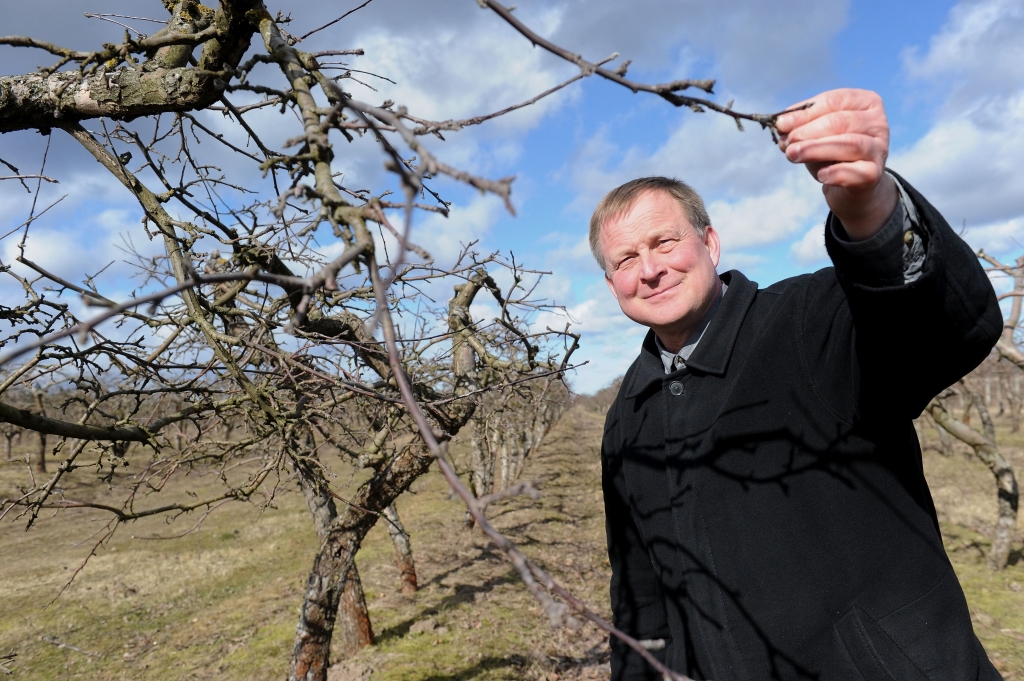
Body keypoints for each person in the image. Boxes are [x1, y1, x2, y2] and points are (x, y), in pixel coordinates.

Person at [592, 89, 1003, 680]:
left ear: (709, 243)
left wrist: (870, 210)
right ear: (612, 286)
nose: (649, 269)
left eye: (663, 242)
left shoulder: (810, 322)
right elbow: (638, 593)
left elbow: (940, 331)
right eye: (625, 259)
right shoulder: (628, 412)